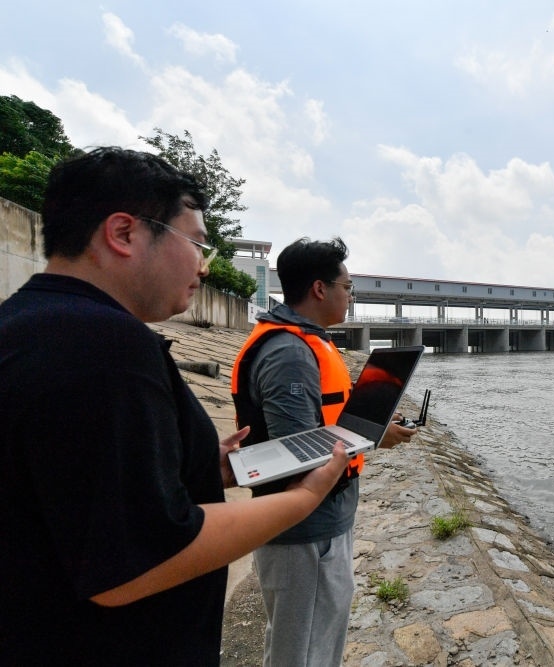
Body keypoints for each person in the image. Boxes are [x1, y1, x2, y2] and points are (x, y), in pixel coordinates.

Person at [0, 147, 348, 665]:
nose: (204, 267)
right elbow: (134, 561)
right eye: (197, 244)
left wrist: (193, 467)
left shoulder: (34, 324)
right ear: (124, 233)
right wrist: (305, 496)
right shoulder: (104, 348)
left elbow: (76, 490)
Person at [231, 237, 416, 666]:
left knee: (306, 642)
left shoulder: (308, 342)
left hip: (322, 523)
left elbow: (321, 426)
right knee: (304, 652)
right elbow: (298, 456)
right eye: (347, 287)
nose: (350, 296)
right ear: (319, 288)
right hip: (306, 533)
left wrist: (375, 430)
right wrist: (369, 438)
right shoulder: (289, 353)